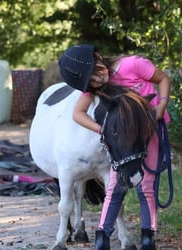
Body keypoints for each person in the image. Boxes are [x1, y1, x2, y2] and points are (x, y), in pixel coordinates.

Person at [58, 44, 171, 250]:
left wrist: (162, 105)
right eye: (90, 82)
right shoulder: (96, 87)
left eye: (95, 74)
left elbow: (163, 78)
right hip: (124, 139)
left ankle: (148, 237)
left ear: (98, 57)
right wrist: (101, 130)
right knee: (115, 185)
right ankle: (103, 237)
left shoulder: (134, 65)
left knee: (147, 184)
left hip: (150, 130)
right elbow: (78, 113)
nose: (97, 81)